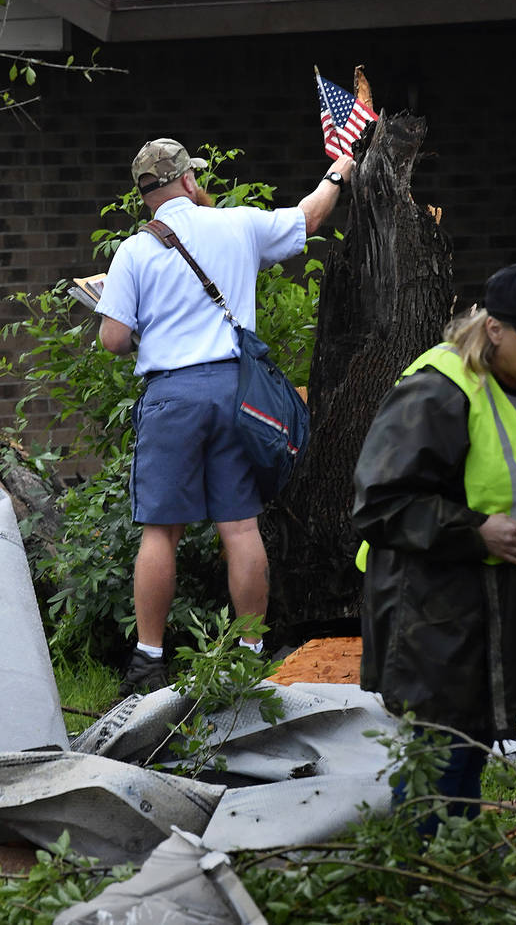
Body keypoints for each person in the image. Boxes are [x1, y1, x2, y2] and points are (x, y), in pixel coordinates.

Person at [351, 261, 516, 833]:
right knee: (436, 751)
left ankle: (454, 864)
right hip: (432, 609)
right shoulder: (436, 391)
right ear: (494, 330)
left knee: (469, 747)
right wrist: (475, 530)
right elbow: (378, 504)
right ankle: (414, 875)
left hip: (500, 605)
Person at [97, 137, 355, 694]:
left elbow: (113, 338)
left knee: (161, 532)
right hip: (236, 393)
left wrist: (150, 323)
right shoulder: (236, 225)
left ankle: (147, 661)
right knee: (239, 526)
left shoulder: (135, 252)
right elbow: (307, 219)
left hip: (171, 398)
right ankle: (250, 655)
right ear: (189, 180)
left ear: (146, 197)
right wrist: (337, 173)